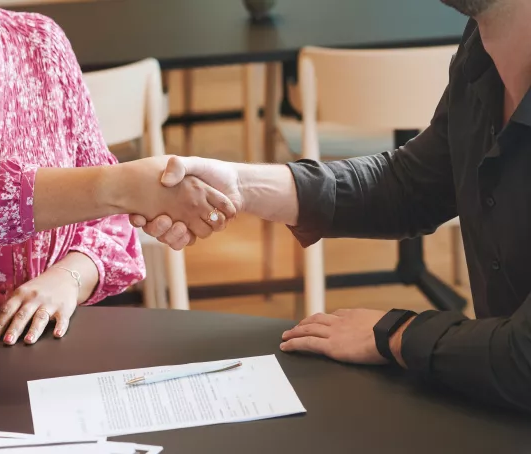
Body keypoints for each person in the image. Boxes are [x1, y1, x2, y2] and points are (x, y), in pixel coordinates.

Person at [136, 0, 531, 412]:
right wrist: (242, 185)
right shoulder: (482, 49)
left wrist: (395, 334)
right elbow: (411, 183)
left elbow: (524, 357)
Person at [0, 2, 235, 345]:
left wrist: (67, 277)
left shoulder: (41, 42)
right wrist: (126, 185)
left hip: (48, 354)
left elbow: (109, 225)